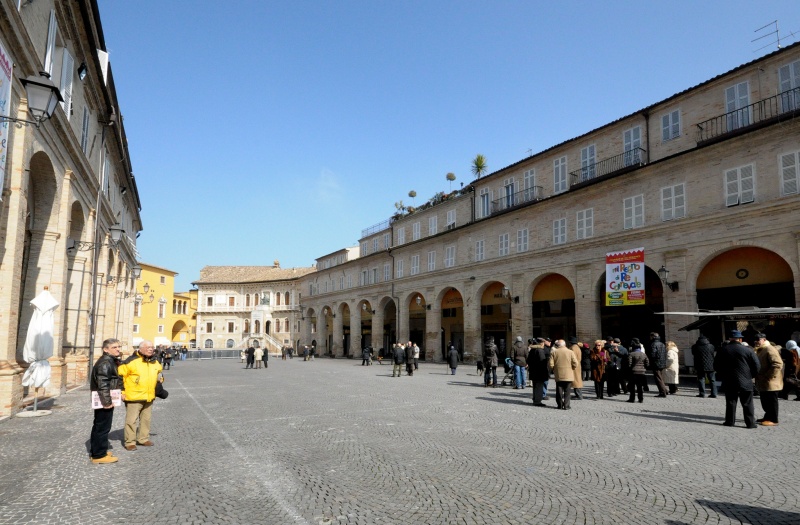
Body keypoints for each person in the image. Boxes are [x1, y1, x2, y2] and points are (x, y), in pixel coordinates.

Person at [118, 340, 163, 450]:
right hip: (133, 396)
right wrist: (121, 392)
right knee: (131, 420)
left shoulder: (155, 361)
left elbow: (159, 373)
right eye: (148, 347)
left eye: (152, 347)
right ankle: (130, 442)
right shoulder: (131, 361)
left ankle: (143, 438)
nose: (151, 349)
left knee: (146, 419)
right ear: (140, 348)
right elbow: (120, 376)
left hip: (149, 396)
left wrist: (160, 379)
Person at [714, 330, 760, 429]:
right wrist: (750, 376)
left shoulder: (723, 350)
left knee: (731, 402)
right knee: (747, 403)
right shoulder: (748, 350)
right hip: (746, 380)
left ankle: (730, 421)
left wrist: (723, 375)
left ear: (730, 338)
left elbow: (716, 366)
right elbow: (757, 366)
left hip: (729, 380)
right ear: (740, 339)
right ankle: (750, 423)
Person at [89, 338, 123, 464]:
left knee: (100, 426)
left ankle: (98, 451)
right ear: (105, 349)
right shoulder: (105, 363)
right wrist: (107, 402)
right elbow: (103, 384)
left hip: (105, 399)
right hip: (104, 401)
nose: (118, 349)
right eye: (114, 347)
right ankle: (99, 456)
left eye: (118, 346)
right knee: (102, 427)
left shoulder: (109, 361)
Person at [754, 333, 783, 426]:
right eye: (755, 340)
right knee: (765, 401)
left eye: (758, 339)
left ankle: (774, 419)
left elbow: (777, 364)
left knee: (771, 401)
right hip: (764, 381)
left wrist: (769, 376)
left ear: (764, 339)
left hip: (771, 382)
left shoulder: (769, 348)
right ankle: (767, 416)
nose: (756, 341)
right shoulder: (760, 349)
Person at [549, 339, 577, 410]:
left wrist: (554, 369)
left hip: (559, 374)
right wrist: (572, 368)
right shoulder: (570, 352)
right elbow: (575, 363)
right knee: (567, 392)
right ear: (565, 345)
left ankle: (560, 405)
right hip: (569, 374)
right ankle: (567, 405)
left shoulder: (554, 352)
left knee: (559, 391)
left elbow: (550, 364)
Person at [527, 338, 549, 406]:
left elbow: (528, 360)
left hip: (533, 371)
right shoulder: (540, 351)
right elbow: (542, 362)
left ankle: (535, 399)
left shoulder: (532, 350)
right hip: (539, 372)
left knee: (535, 386)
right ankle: (537, 401)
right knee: (539, 387)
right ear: (541, 343)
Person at [649, 332, 668, 397]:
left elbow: (653, 354)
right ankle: (665, 390)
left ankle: (663, 392)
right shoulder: (662, 344)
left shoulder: (654, 344)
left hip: (656, 363)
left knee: (658, 378)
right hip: (662, 363)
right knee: (660, 377)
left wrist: (651, 361)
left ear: (653, 337)